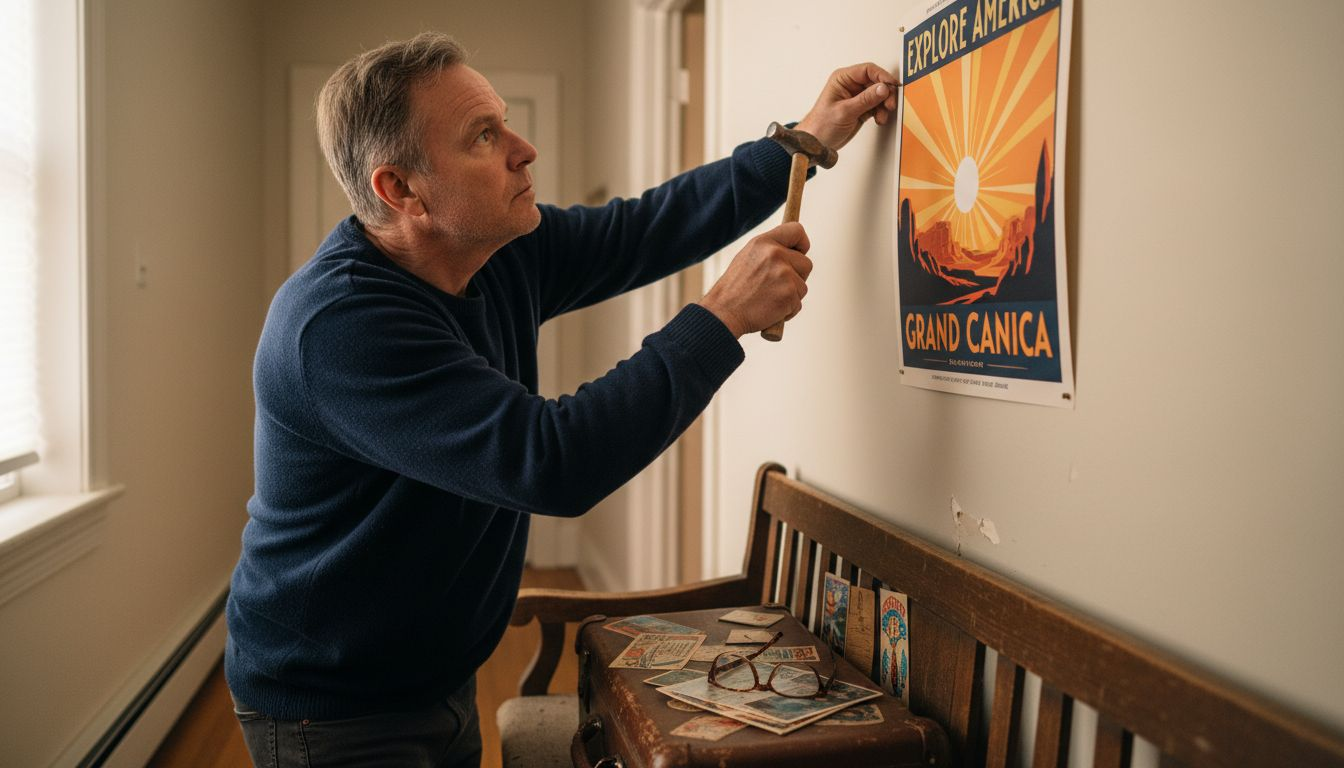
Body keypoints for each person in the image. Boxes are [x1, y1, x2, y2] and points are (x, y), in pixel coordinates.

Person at [226, 30, 898, 768]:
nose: (524, 148)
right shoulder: (339, 328)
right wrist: (723, 316)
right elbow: (552, 461)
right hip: (333, 709)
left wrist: (800, 143)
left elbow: (645, 227)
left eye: (505, 120)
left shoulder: (496, 249)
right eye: (485, 136)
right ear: (402, 190)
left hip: (431, 674)